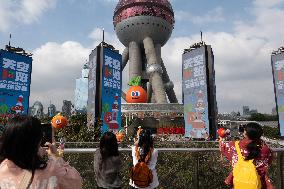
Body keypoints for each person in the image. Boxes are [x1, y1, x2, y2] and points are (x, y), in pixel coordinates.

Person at [0, 115, 82, 189]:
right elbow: (76, 183)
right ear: (38, 141)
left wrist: (34, 153)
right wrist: (56, 157)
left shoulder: (2, 168)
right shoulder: (52, 171)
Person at [219, 122, 274, 189]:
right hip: (258, 184)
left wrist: (222, 137)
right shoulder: (265, 150)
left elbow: (222, 147)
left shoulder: (234, 146)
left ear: (245, 133)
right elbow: (269, 161)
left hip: (239, 182)